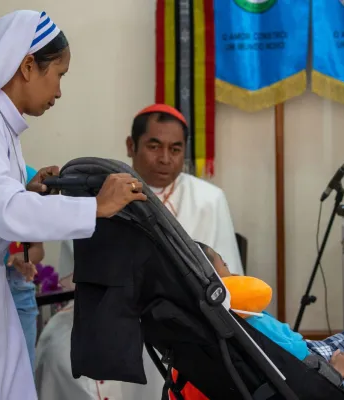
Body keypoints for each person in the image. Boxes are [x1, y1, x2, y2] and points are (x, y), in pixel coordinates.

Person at [0, 10, 146, 400]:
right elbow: (4, 212)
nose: (59, 91)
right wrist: (96, 206)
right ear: (28, 66)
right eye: (58, 75)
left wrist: (29, 191)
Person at [35, 104, 243, 400]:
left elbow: (229, 280)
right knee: (57, 350)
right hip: (106, 311)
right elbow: (78, 283)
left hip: (183, 320)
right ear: (131, 146)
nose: (165, 159)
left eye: (175, 149)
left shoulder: (209, 199)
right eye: (154, 146)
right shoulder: (101, 191)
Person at [189, 242, 344, 399]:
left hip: (305, 358)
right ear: (214, 280)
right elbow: (290, 364)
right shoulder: (241, 318)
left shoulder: (222, 317)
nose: (233, 271)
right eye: (225, 265)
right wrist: (334, 373)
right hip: (316, 369)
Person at [5, 164, 45, 371]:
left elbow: (37, 249)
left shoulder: (29, 176)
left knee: (23, 374)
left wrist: (24, 257)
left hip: (18, 290)